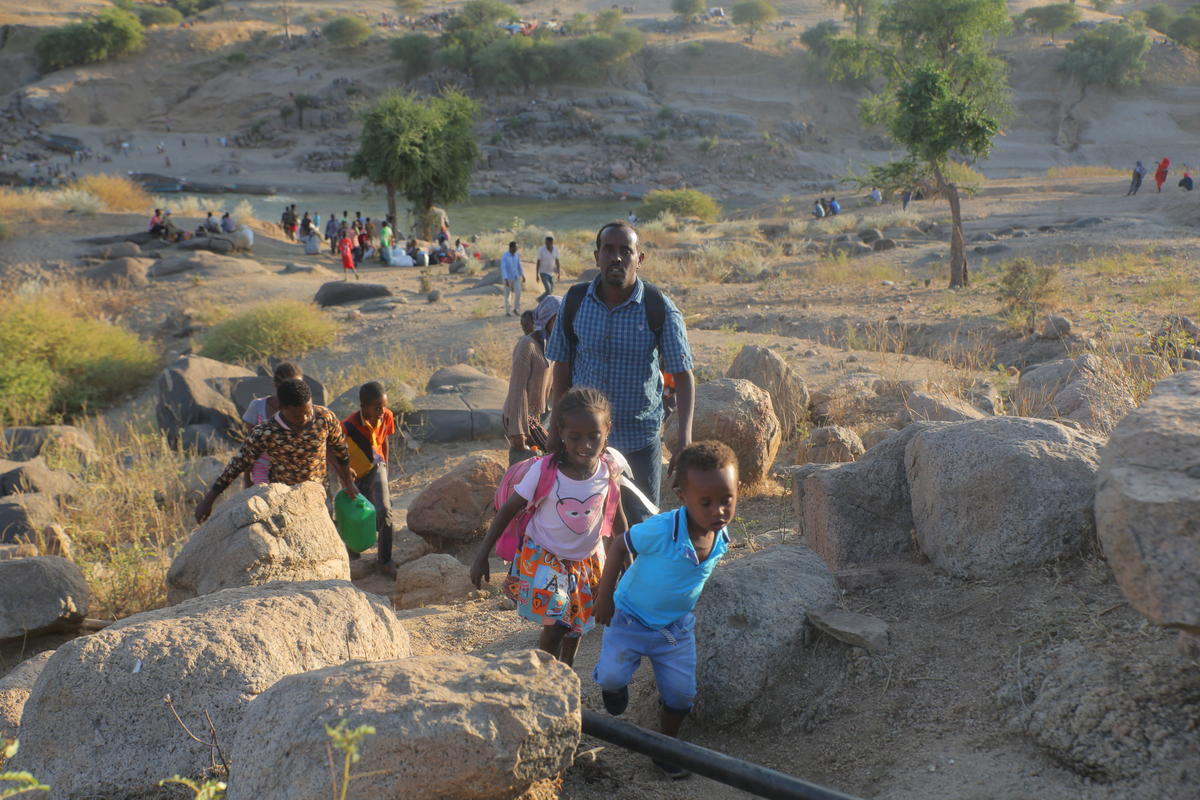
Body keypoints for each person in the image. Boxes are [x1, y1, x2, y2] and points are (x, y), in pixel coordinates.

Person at [591, 441, 738, 780]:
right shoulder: (661, 529)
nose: (718, 510)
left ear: (737, 491)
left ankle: (665, 748)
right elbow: (620, 546)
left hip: (674, 630)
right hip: (628, 616)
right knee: (613, 675)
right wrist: (605, 596)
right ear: (681, 496)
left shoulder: (722, 536)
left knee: (682, 695)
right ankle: (613, 685)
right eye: (706, 502)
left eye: (726, 499)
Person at [545, 220, 695, 524]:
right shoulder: (574, 303)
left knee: (641, 524)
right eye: (608, 250)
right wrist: (554, 433)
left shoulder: (658, 308)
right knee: (583, 522)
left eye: (625, 251)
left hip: (638, 440)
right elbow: (561, 366)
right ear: (596, 256)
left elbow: (683, 375)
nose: (616, 258)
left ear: (639, 258)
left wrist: (684, 442)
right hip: (583, 442)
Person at [469, 388, 629, 665]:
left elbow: (618, 519)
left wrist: (630, 566)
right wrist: (482, 555)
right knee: (556, 623)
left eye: (594, 436)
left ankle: (565, 673)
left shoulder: (607, 471)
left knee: (576, 625)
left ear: (607, 431)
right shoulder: (545, 471)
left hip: (587, 560)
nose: (585, 445)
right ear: (561, 432)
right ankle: (545, 679)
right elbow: (509, 509)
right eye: (575, 437)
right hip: (545, 555)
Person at [194, 379, 357, 523]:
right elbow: (237, 465)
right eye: (297, 416)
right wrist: (208, 501)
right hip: (284, 499)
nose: (305, 419)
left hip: (319, 494)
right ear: (282, 408)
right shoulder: (266, 432)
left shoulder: (325, 418)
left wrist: (348, 482)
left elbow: (340, 449)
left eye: (308, 412)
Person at [342, 381, 396, 571]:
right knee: (355, 513)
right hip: (355, 473)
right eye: (377, 407)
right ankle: (353, 555)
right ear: (364, 407)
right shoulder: (348, 427)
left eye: (384, 405)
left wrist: (386, 467)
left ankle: (385, 560)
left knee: (385, 511)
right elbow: (338, 452)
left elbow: (385, 441)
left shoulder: (387, 416)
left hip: (377, 467)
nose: (382, 410)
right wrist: (346, 476)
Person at [503, 295, 560, 465]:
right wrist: (517, 431)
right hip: (523, 418)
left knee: (546, 462)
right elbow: (517, 389)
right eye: (558, 318)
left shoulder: (554, 344)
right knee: (522, 466)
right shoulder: (527, 345)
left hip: (543, 416)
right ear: (548, 318)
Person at [241, 363, 303, 488]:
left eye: (298, 385)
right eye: (289, 385)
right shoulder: (258, 406)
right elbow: (250, 445)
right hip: (263, 468)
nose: (294, 390)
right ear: (276, 385)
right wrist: (247, 479)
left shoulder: (304, 409)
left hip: (293, 469)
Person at [500, 240, 524, 316]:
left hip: (516, 276)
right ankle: (508, 311)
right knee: (507, 295)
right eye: (515, 248)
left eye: (517, 248)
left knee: (518, 292)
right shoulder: (505, 256)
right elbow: (503, 267)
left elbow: (519, 265)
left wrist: (522, 275)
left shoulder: (517, 255)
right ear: (510, 248)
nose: (516, 249)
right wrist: (505, 278)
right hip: (508, 278)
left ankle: (516, 309)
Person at [536, 235, 562, 300]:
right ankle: (539, 299)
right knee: (548, 290)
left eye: (548, 243)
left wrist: (559, 273)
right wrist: (536, 274)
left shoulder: (556, 250)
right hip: (543, 272)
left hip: (552, 273)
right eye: (545, 243)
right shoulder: (541, 250)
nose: (546, 244)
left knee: (551, 291)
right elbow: (538, 262)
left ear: (551, 243)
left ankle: (543, 301)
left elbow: (557, 262)